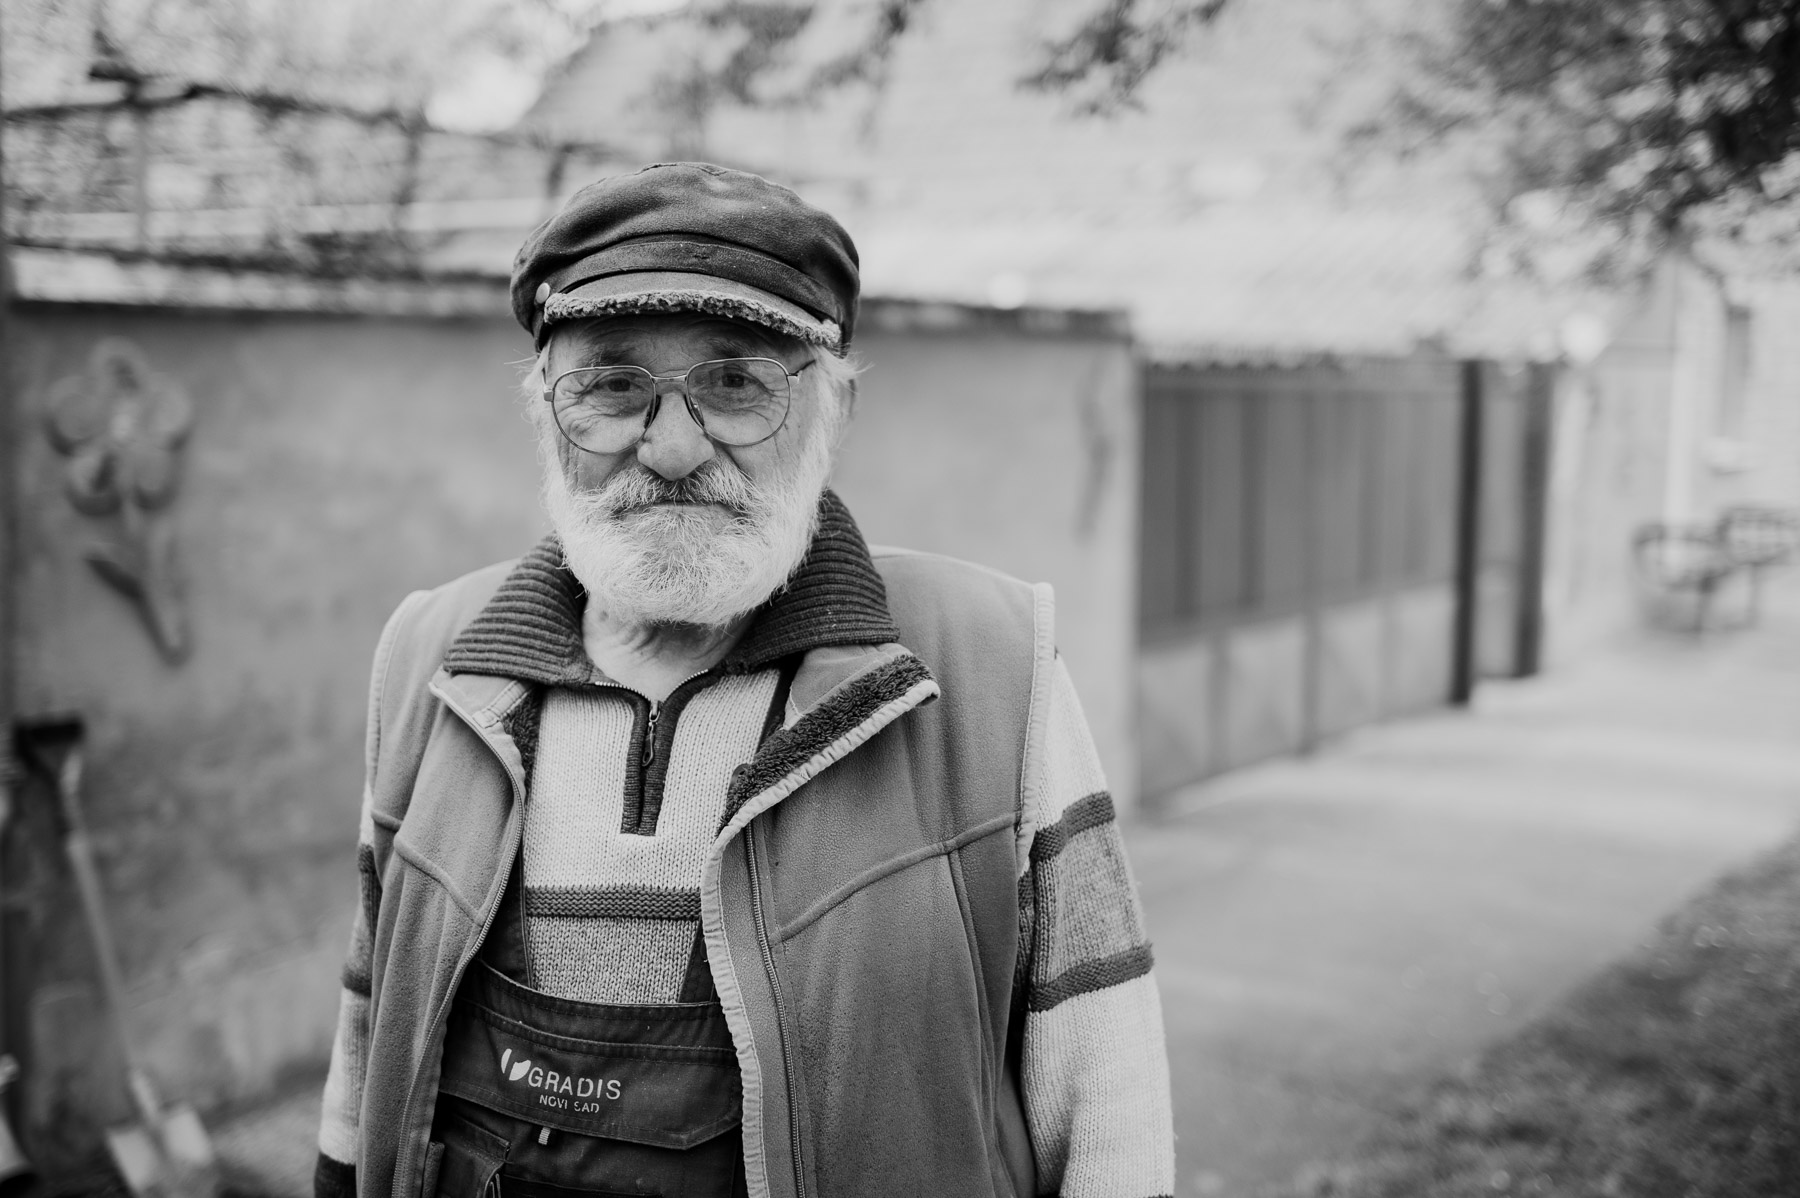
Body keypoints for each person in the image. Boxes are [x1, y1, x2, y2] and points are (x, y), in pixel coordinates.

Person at [315, 161, 1173, 1198]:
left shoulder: (993, 664)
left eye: (736, 384)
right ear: (545, 414)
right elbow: (369, 1040)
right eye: (612, 386)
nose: (674, 448)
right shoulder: (432, 659)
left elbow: (1110, 1106)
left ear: (833, 412)